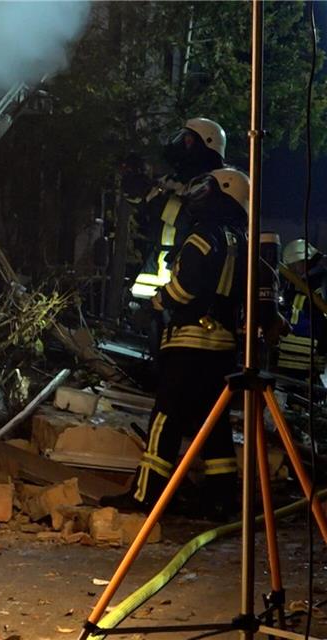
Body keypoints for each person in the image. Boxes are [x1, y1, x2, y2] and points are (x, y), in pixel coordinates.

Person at [104, 168, 250, 520]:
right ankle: (222, 501)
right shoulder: (240, 239)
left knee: (165, 417)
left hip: (189, 343)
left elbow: (184, 288)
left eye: (207, 190)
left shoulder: (204, 236)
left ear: (222, 195)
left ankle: (146, 495)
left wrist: (154, 303)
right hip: (223, 348)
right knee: (212, 427)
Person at [125, 118, 227, 301]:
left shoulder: (215, 185)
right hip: (159, 267)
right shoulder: (177, 179)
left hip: (186, 269)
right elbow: (146, 206)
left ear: (207, 145)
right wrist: (135, 186)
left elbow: (189, 218)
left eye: (189, 139)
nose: (183, 144)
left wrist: (154, 200)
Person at [276, 239, 327, 378]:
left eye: (293, 265)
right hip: (292, 353)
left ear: (304, 260)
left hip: (311, 352)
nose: (291, 270)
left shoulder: (321, 280)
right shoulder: (297, 282)